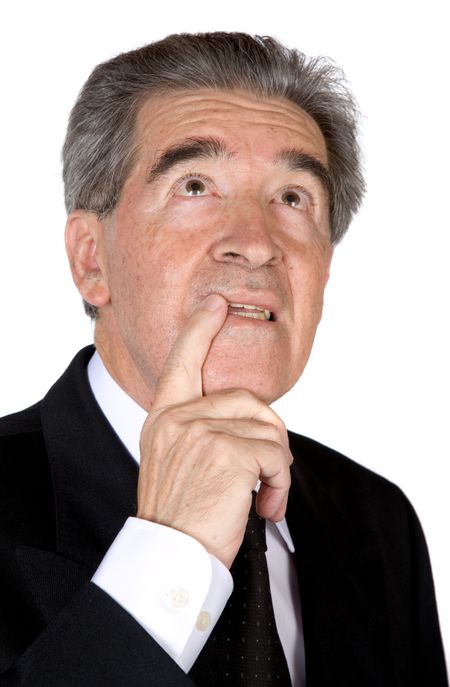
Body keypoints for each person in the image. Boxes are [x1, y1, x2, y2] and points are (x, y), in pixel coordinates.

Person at [0, 32, 447, 687]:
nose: (256, 243)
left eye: (293, 197)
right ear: (92, 258)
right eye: (196, 185)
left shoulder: (377, 521)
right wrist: (169, 555)